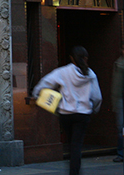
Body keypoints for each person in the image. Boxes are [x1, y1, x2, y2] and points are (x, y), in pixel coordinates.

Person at [32, 46, 102, 175]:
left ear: (71, 58)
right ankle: (74, 171)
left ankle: (73, 170)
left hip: (66, 114)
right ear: (86, 58)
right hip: (83, 114)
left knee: (71, 144)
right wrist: (94, 109)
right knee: (77, 145)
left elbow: (44, 83)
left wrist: (36, 95)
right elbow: (97, 97)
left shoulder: (63, 72)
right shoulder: (91, 74)